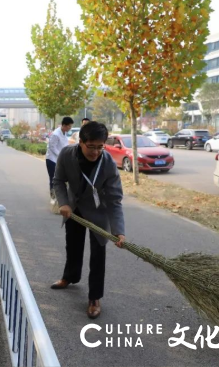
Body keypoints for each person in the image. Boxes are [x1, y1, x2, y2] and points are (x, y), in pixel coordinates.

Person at [51, 121, 125, 319]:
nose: (95, 152)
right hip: (74, 209)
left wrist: (119, 231)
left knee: (98, 255)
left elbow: (115, 199)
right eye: (91, 147)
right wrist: (63, 202)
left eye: (100, 147)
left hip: (99, 212)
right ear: (80, 142)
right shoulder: (67, 154)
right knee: (73, 246)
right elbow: (58, 181)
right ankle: (70, 276)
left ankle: (94, 297)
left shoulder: (108, 162)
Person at [45, 117, 74, 199]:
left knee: (61, 178)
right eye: (69, 126)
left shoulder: (64, 132)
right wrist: (61, 155)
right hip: (52, 160)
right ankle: (53, 197)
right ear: (64, 125)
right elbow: (52, 147)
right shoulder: (56, 134)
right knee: (54, 179)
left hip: (59, 159)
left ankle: (59, 196)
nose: (70, 128)